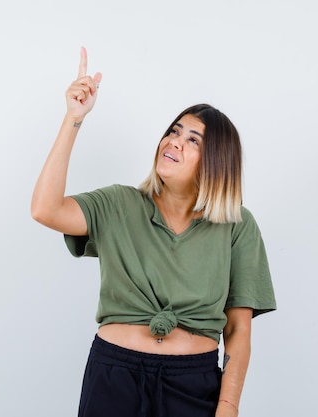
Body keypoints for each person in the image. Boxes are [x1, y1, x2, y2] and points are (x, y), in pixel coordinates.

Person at [31, 47, 276, 417]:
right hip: (115, 378)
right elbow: (45, 209)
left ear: (217, 162)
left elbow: (239, 330)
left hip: (194, 387)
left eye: (193, 139)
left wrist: (228, 406)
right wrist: (73, 119)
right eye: (174, 131)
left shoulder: (237, 226)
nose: (174, 141)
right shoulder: (119, 204)